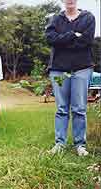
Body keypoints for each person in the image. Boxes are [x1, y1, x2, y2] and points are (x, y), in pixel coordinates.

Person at [45, 0, 95, 156]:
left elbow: (86, 41)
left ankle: (80, 145)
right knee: (61, 109)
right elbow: (50, 39)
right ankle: (60, 143)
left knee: (79, 109)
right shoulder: (55, 19)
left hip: (81, 69)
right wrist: (73, 35)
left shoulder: (88, 18)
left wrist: (62, 41)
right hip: (59, 71)